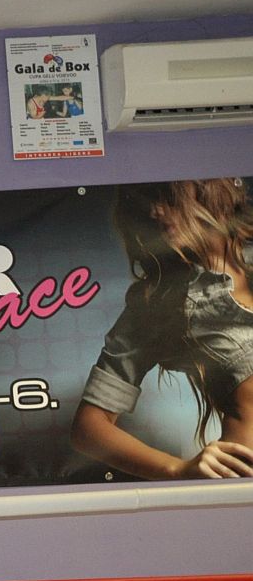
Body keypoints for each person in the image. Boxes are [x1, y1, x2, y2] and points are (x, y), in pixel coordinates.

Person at [70, 176, 253, 480]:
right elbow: (88, 428)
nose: (155, 211)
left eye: (166, 195)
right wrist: (178, 469)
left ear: (207, 186)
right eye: (146, 201)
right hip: (243, 487)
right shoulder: (163, 302)